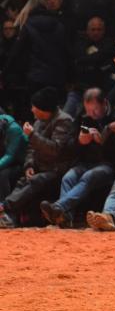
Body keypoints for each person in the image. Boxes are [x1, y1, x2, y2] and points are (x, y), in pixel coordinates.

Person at [39, 88, 115, 227]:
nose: (91, 114)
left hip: (108, 164)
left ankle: (59, 207)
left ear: (104, 103)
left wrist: (105, 137)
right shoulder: (82, 116)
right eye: (88, 110)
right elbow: (68, 146)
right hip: (85, 162)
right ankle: (65, 217)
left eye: (95, 110)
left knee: (88, 177)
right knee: (68, 177)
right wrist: (80, 142)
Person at [0, 87, 76, 228]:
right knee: (23, 181)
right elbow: (30, 148)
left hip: (56, 169)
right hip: (39, 167)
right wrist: (29, 165)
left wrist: (33, 135)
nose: (32, 110)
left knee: (36, 181)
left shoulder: (64, 121)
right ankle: (8, 217)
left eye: (34, 107)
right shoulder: (39, 121)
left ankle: (4, 207)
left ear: (44, 109)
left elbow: (55, 150)